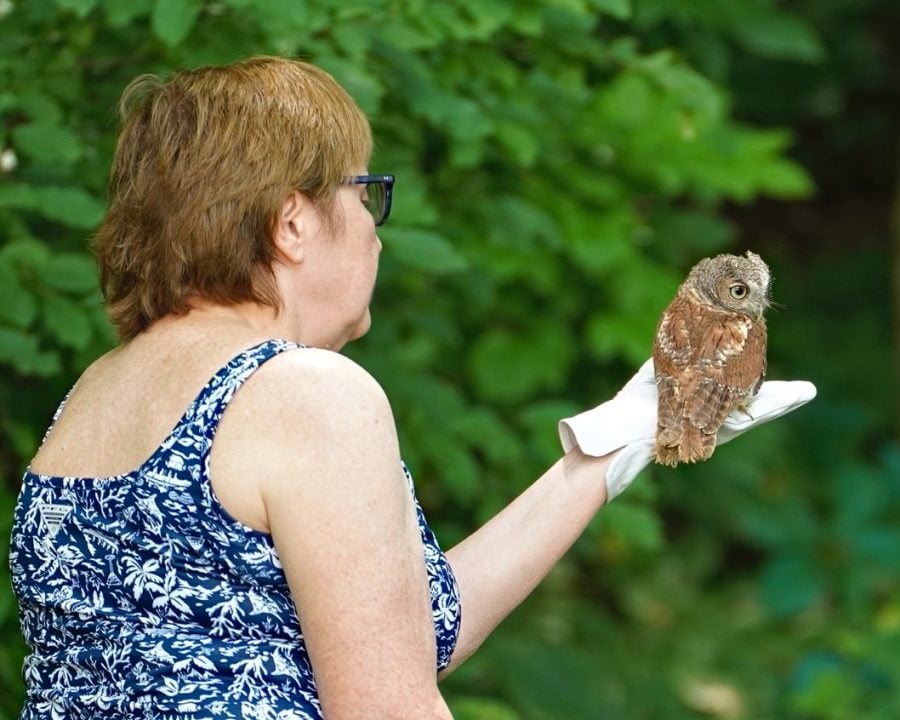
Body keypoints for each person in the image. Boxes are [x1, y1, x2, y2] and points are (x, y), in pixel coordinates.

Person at [8, 56, 815, 719]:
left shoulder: (94, 393)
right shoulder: (308, 393)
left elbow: (391, 631)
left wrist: (612, 447)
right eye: (365, 195)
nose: (373, 229)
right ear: (292, 223)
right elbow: (390, 708)